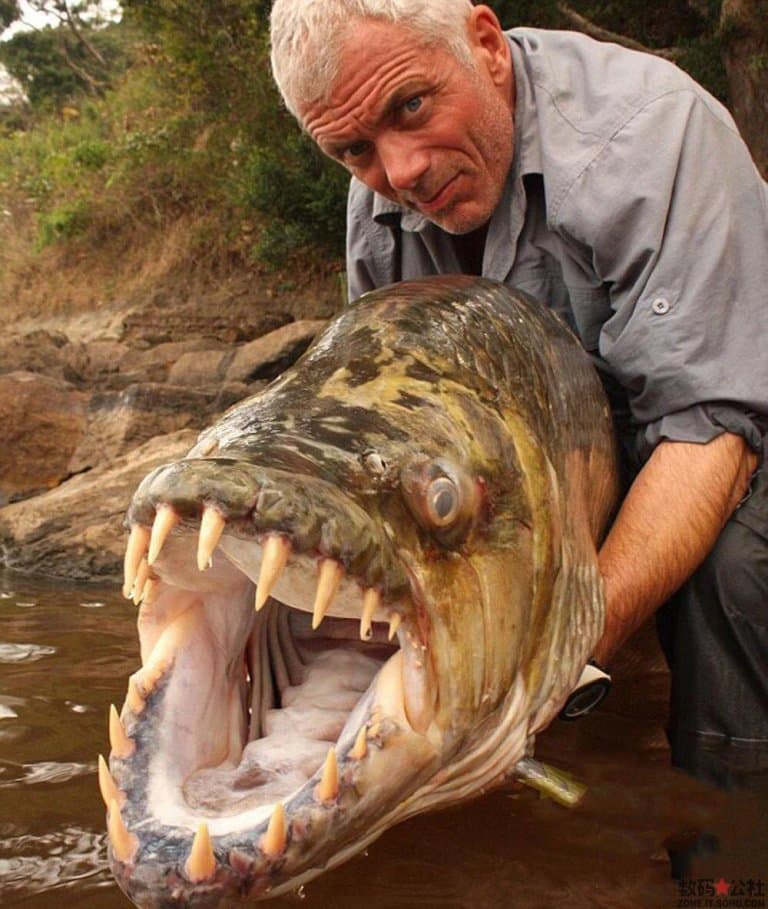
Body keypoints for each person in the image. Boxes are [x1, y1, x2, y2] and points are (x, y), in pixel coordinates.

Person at [269, 0, 768, 790]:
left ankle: (726, 826)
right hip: (561, 451)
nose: (400, 174)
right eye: (354, 149)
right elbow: (392, 421)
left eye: (412, 106)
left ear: (486, 46)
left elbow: (711, 431)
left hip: (725, 412)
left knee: (736, 572)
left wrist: (548, 667)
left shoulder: (651, 134)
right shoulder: (378, 205)